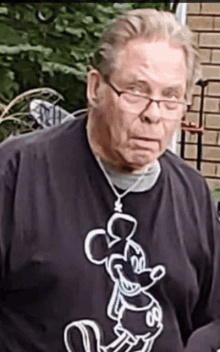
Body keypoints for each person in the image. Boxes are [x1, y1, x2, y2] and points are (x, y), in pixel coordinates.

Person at [0, 8, 219, 352]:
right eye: (135, 90)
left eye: (171, 97)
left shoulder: (192, 195)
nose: (153, 113)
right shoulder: (16, 173)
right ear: (95, 87)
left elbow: (210, 322)